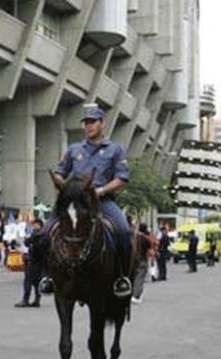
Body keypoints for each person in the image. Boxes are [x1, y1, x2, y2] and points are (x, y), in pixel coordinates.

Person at [46, 105, 133, 297]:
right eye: (86, 123)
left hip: (103, 201)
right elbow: (60, 172)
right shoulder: (73, 149)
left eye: (93, 122)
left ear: (103, 124)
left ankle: (121, 278)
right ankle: (49, 277)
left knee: (124, 233)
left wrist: (101, 190)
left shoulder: (115, 149)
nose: (89, 126)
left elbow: (122, 178)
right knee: (44, 233)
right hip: (75, 202)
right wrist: (64, 185)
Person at [15, 219, 47, 308]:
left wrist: (31, 239)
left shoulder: (39, 234)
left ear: (39, 225)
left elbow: (34, 244)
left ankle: (26, 300)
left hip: (35, 261)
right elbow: (27, 243)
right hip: (36, 261)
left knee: (28, 281)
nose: (33, 226)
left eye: (35, 225)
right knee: (36, 282)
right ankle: (36, 300)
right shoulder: (39, 234)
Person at [132, 223, 152, 304]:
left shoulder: (134, 237)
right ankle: (136, 295)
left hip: (134, 260)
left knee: (134, 277)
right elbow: (150, 246)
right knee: (140, 278)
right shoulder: (145, 238)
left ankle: (132, 293)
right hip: (143, 259)